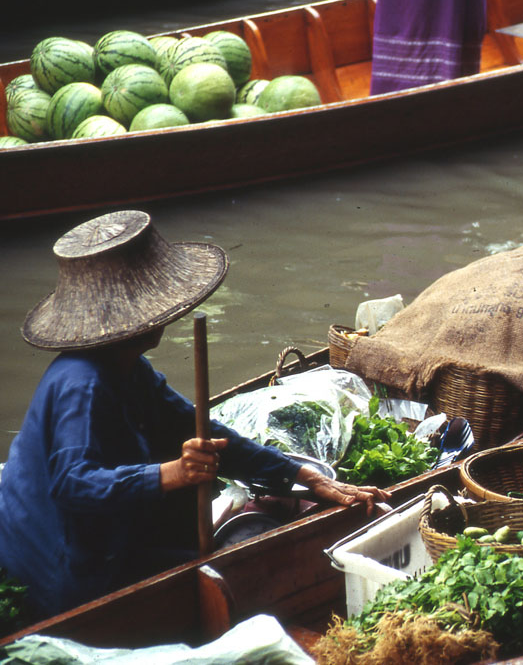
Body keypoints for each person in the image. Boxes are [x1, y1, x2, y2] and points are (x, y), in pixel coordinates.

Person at [0, 210, 389, 620]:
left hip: (97, 539)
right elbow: (73, 484)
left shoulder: (129, 368)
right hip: (60, 570)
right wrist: (174, 473)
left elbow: (195, 427)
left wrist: (302, 475)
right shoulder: (83, 383)